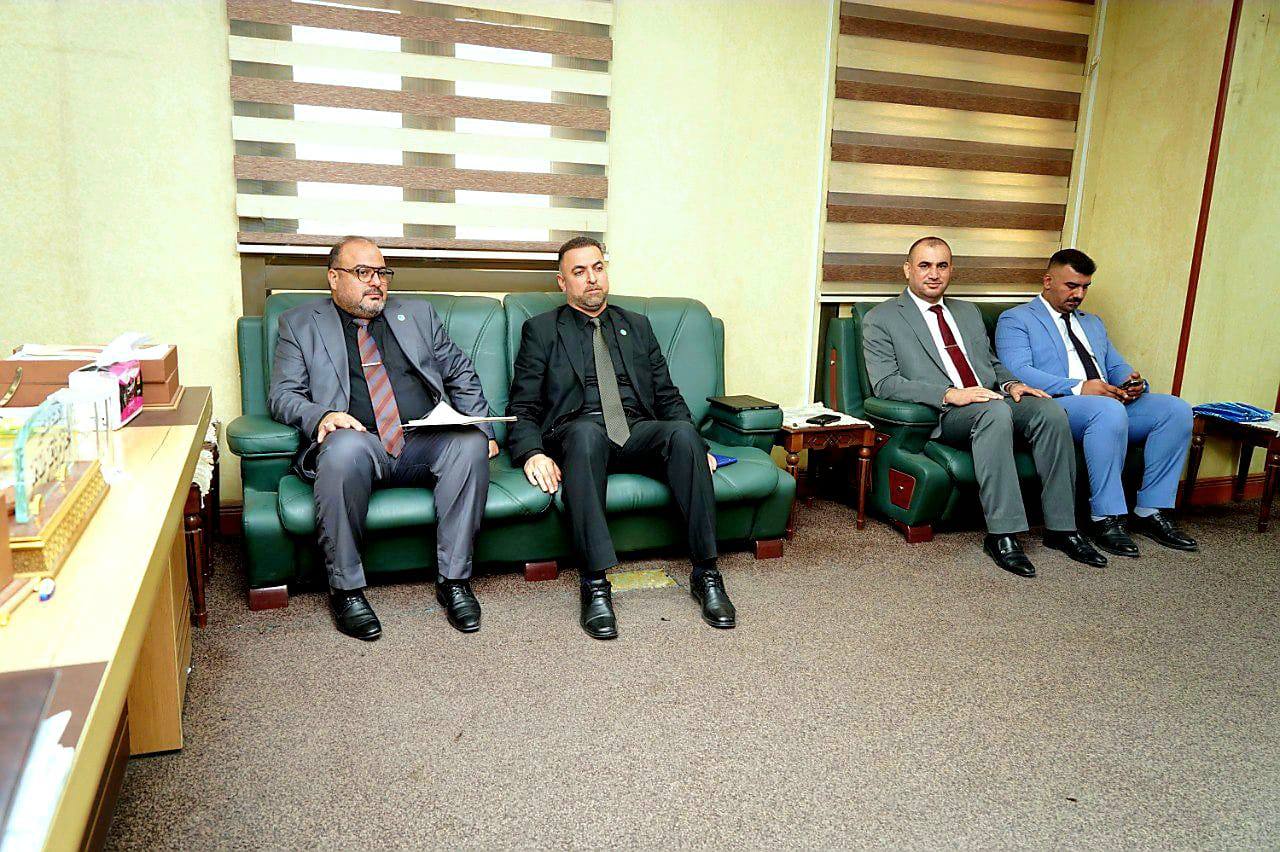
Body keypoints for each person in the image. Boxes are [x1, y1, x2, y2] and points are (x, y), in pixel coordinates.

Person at [268, 236, 499, 640]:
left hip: (422, 438)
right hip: (359, 442)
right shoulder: (299, 323)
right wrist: (323, 416)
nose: (376, 282)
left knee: (469, 444)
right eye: (363, 272)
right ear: (334, 278)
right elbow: (283, 395)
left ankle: (455, 581)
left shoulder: (418, 314)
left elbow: (460, 371)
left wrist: (482, 428)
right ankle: (346, 591)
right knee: (341, 449)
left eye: (382, 272)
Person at [506, 236, 733, 639]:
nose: (592, 278)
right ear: (562, 282)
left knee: (684, 435)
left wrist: (700, 447)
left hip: (635, 428)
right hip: (579, 431)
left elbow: (666, 395)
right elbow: (523, 407)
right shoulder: (541, 330)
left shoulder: (637, 326)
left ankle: (707, 574)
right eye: (579, 272)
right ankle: (594, 584)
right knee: (586, 435)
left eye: (597, 268)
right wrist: (532, 453)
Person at [861, 237, 1107, 577]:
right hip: (948, 412)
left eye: (942, 266)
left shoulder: (967, 312)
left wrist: (1012, 384)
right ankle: (1002, 534)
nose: (934, 274)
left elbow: (990, 363)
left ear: (951, 270)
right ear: (907, 269)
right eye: (924, 265)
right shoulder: (882, 318)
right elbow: (886, 383)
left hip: (992, 399)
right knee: (995, 413)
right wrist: (950, 394)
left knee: (1049, 411)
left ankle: (1062, 528)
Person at [994, 248, 1198, 556]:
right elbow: (1018, 372)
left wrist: (1132, 382)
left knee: (1175, 410)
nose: (1079, 294)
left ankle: (1151, 509)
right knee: (1108, 410)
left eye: (1085, 287)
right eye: (1071, 286)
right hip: (1058, 405)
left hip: (1106, 403)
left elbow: (1114, 365)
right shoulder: (1016, 319)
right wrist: (1079, 387)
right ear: (1048, 281)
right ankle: (1105, 517)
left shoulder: (1092, 323)